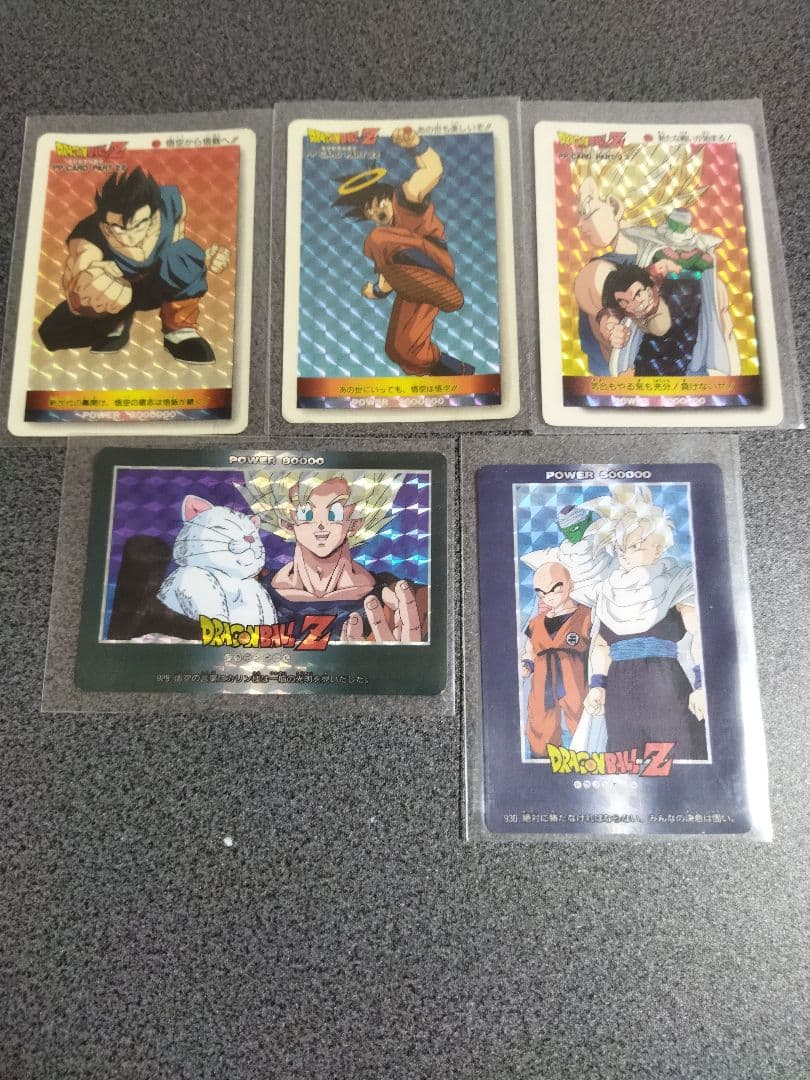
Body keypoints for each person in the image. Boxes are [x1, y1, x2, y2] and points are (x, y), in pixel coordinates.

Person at [39, 166, 230, 363]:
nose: (130, 236)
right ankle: (116, 324)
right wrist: (92, 295)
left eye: (139, 225)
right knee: (50, 334)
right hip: (118, 296)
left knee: (183, 254)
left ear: (153, 215)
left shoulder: (171, 204)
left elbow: (178, 239)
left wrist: (203, 259)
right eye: (118, 228)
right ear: (105, 225)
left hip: (157, 286)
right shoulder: (88, 238)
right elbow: (74, 280)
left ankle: (180, 330)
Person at [577, 486, 708, 759]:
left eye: (636, 546)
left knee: (680, 753)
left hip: (665, 685)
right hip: (620, 691)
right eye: (621, 548)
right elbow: (601, 645)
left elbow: (699, 632)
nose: (626, 554)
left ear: (658, 550)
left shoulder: (676, 582)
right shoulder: (608, 591)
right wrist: (598, 685)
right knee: (625, 758)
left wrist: (701, 684)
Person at [332, 128, 473, 378]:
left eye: (376, 207)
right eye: (370, 215)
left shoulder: (407, 195)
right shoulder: (388, 239)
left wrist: (415, 144)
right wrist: (378, 291)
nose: (375, 215)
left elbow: (433, 170)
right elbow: (389, 273)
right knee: (400, 347)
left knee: (376, 239)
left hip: (435, 262)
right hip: (417, 283)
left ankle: (433, 280)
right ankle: (458, 373)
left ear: (385, 196)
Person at [236, 469, 427, 643]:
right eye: (306, 513)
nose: (320, 525)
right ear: (286, 522)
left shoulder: (401, 599)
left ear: (355, 522)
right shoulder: (249, 591)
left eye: (334, 513)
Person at [571, 144, 708, 375]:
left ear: (615, 206)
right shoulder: (689, 264)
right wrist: (609, 324)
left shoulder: (598, 272)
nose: (579, 223)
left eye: (587, 210)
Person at [520, 561, 591, 757]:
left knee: (582, 720)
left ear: (570, 585)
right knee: (540, 723)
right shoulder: (536, 623)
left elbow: (597, 649)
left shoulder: (586, 616)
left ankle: (587, 758)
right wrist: (527, 663)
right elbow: (530, 649)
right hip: (542, 682)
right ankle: (542, 760)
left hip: (575, 680)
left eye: (554, 589)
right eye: (541, 593)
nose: (548, 596)